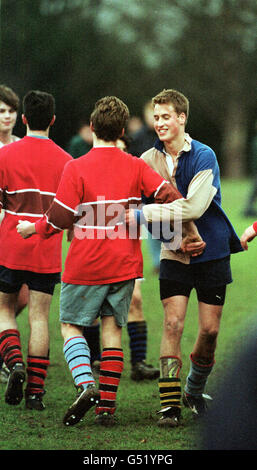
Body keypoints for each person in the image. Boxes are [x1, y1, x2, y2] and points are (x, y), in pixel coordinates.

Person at [17, 95, 205, 427]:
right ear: (121, 129)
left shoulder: (76, 167)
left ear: (92, 129)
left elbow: (60, 217)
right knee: (112, 329)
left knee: (70, 326)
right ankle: (106, 408)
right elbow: (170, 196)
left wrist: (33, 227)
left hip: (84, 264)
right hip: (124, 265)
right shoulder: (136, 165)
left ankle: (87, 385)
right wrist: (188, 228)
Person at [126, 88, 243, 428]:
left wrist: (149, 212)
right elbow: (138, 207)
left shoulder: (205, 155)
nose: (160, 123)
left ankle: (193, 390)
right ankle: (169, 404)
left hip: (213, 251)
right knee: (173, 323)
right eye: (156, 117)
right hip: (173, 254)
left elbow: (194, 206)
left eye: (166, 117)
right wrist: (174, 240)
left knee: (209, 332)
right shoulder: (147, 160)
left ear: (182, 118)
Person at [0, 90, 72, 411]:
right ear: (53, 120)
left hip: (11, 245)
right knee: (40, 318)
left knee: (3, 311)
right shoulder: (67, 162)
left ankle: (14, 363)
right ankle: (35, 395)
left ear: (24, 118)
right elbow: (67, 213)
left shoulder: (5, 155)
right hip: (47, 248)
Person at [83, 134, 160, 382]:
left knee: (135, 299)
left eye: (122, 147)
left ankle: (138, 363)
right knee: (93, 306)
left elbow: (151, 205)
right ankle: (95, 358)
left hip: (126, 251)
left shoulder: (134, 170)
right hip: (94, 251)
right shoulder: (90, 169)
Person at [0, 85, 29, 384]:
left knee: (21, 297)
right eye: (1, 111)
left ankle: (5, 350)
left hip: (17, 235)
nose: (7, 116)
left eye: (11, 111)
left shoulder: (22, 145)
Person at [130, 100, 162, 273]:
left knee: (167, 221)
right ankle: (157, 261)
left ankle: (169, 257)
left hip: (164, 184)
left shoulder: (164, 135)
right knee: (151, 222)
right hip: (146, 187)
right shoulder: (138, 137)